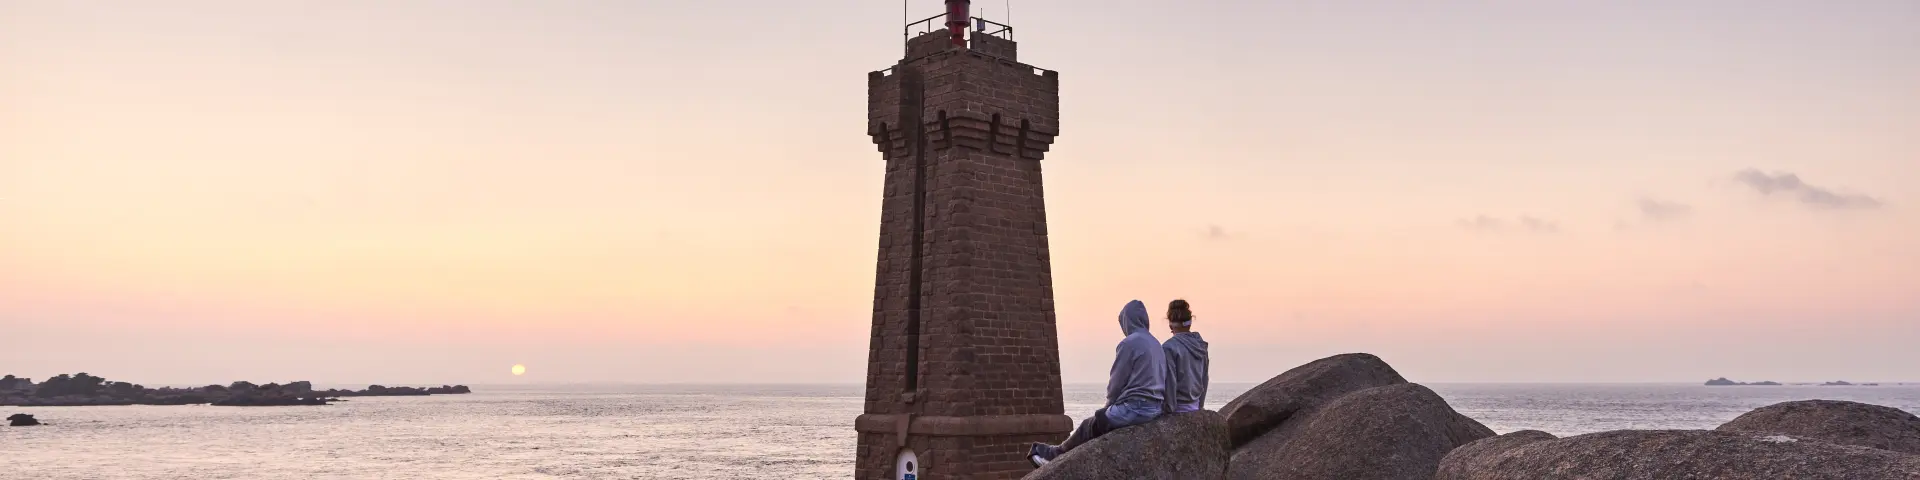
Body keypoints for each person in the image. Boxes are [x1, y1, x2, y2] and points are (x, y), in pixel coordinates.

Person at [1029, 300, 1167, 467]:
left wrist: (1107, 406)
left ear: (1127, 320)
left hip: (1134, 409)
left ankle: (1054, 455)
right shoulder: (1156, 344)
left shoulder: (1129, 343)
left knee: (1091, 423)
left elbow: (1117, 381)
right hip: (1154, 409)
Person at [1160, 299, 1210, 414]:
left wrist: (1169, 411)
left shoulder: (1169, 347)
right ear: (1190, 322)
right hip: (1195, 405)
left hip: (1178, 408)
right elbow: (1204, 378)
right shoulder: (1200, 345)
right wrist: (1200, 407)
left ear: (1170, 325)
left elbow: (1170, 382)